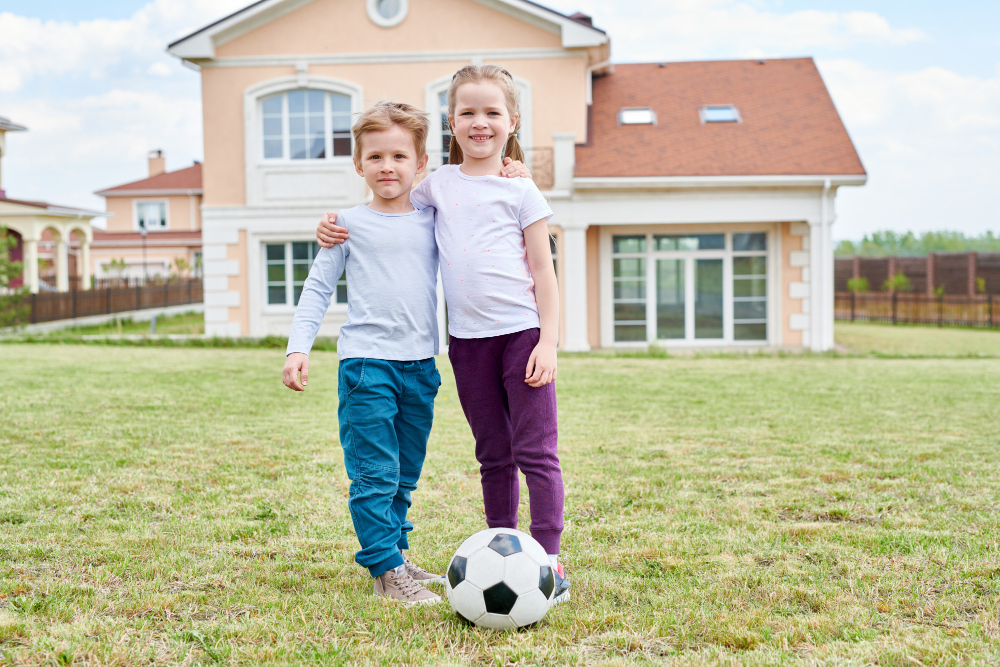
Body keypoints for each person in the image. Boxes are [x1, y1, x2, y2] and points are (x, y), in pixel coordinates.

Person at [317, 65, 569, 604]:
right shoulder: (436, 186)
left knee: (536, 450)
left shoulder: (523, 191)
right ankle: (506, 544)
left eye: (492, 112)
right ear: (452, 122)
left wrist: (548, 341)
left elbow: (544, 272)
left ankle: (548, 558)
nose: (481, 123)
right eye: (468, 113)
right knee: (493, 452)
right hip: (466, 344)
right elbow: (392, 204)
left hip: (522, 334)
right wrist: (332, 227)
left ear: (512, 120)